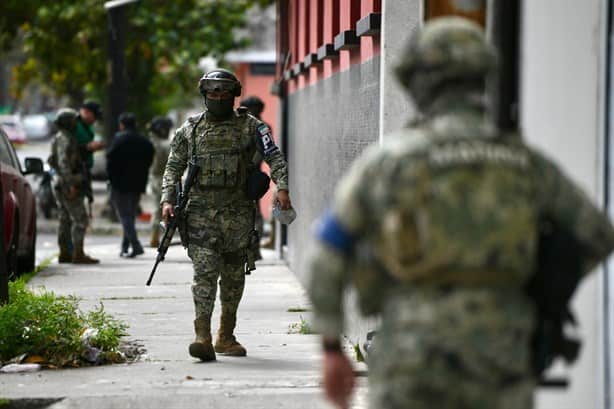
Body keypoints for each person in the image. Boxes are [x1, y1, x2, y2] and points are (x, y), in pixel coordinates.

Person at [306, 17, 614, 409]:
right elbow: (597, 234)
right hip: (503, 352)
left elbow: (327, 253)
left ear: (418, 83)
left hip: (411, 355)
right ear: (481, 78)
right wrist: (541, 294)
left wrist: (332, 348)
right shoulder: (525, 164)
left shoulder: (388, 164)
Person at [161, 68, 292, 362]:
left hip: (238, 215)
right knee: (204, 275)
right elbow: (172, 167)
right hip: (200, 215)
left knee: (233, 279)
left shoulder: (252, 127)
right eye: (212, 92)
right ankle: (202, 336)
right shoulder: (189, 130)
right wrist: (167, 200)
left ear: (234, 95)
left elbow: (275, 158)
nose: (217, 97)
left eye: (223, 92)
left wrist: (281, 187)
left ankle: (226, 335)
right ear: (204, 95)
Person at [48, 108, 99, 264]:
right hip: (66, 183)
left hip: (59, 182)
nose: (76, 123)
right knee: (80, 219)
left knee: (64, 218)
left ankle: (65, 253)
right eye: (74, 120)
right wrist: (70, 184)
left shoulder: (60, 137)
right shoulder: (65, 139)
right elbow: (63, 163)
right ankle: (78, 253)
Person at [106, 112, 154, 258]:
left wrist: (112, 179)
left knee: (124, 216)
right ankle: (125, 246)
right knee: (130, 215)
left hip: (119, 184)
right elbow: (150, 158)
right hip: (137, 184)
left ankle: (136, 245)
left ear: (121, 125)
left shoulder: (118, 140)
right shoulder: (144, 142)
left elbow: (110, 161)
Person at [239, 96, 268, 258]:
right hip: (240, 173)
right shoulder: (241, 125)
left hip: (253, 175)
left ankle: (254, 249)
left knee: (254, 213)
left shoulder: (262, 127)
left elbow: (263, 152)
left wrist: (250, 165)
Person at [147, 116, 174, 248]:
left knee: (156, 209)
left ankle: (155, 238)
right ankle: (157, 239)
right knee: (162, 210)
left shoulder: (150, 142)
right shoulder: (163, 145)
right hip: (162, 178)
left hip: (153, 178)